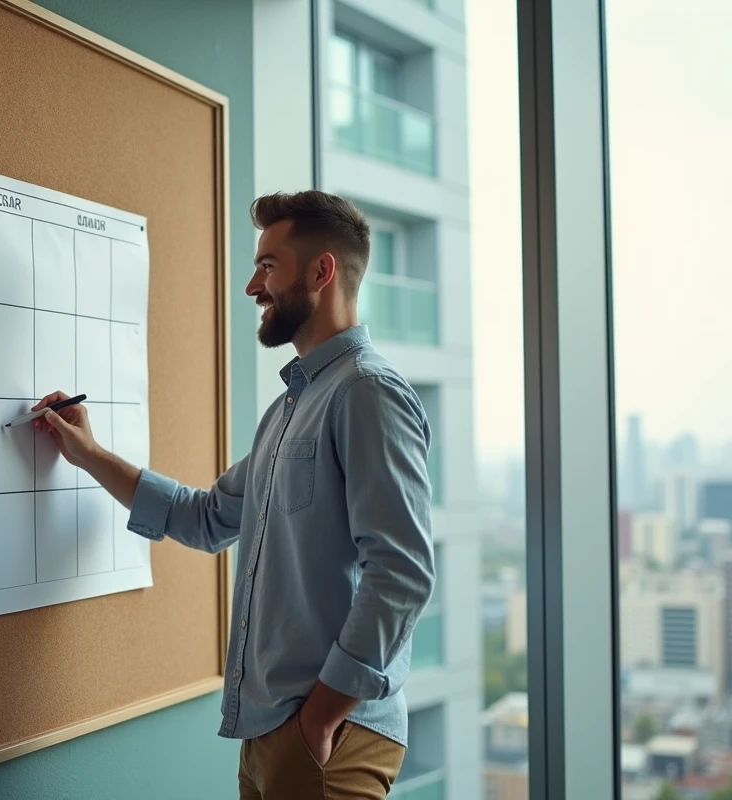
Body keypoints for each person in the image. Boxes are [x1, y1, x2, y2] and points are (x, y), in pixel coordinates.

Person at [31, 190, 435, 799]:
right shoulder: (289, 411)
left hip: (333, 734)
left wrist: (320, 719)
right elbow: (205, 517)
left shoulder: (368, 393)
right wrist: (88, 455)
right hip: (271, 731)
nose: (253, 286)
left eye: (268, 265)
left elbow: (401, 574)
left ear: (321, 271)